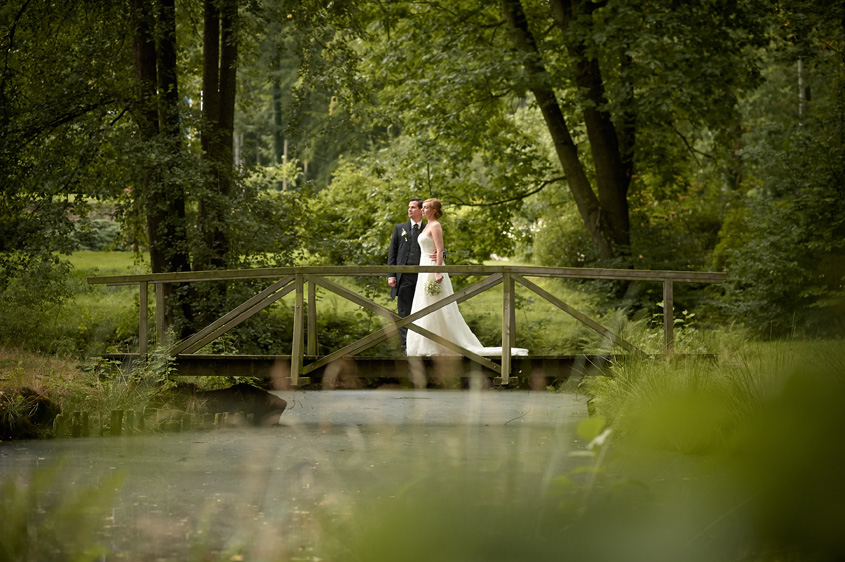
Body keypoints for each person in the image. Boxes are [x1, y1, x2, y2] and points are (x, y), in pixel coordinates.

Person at [406, 198, 528, 357]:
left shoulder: (435, 225)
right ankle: (428, 342)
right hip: (424, 266)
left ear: (434, 211)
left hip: (431, 268)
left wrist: (437, 271)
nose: (423, 210)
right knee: (425, 304)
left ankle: (442, 343)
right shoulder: (426, 226)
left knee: (436, 303)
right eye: (422, 208)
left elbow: (440, 249)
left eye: (426, 208)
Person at [388, 198, 426, 351]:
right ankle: (406, 347)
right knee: (404, 311)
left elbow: (439, 247)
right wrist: (391, 275)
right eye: (408, 207)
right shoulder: (399, 228)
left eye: (413, 207)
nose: (409, 210)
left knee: (422, 310)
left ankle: (421, 345)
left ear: (421, 210)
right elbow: (392, 253)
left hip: (423, 276)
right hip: (403, 276)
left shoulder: (428, 228)